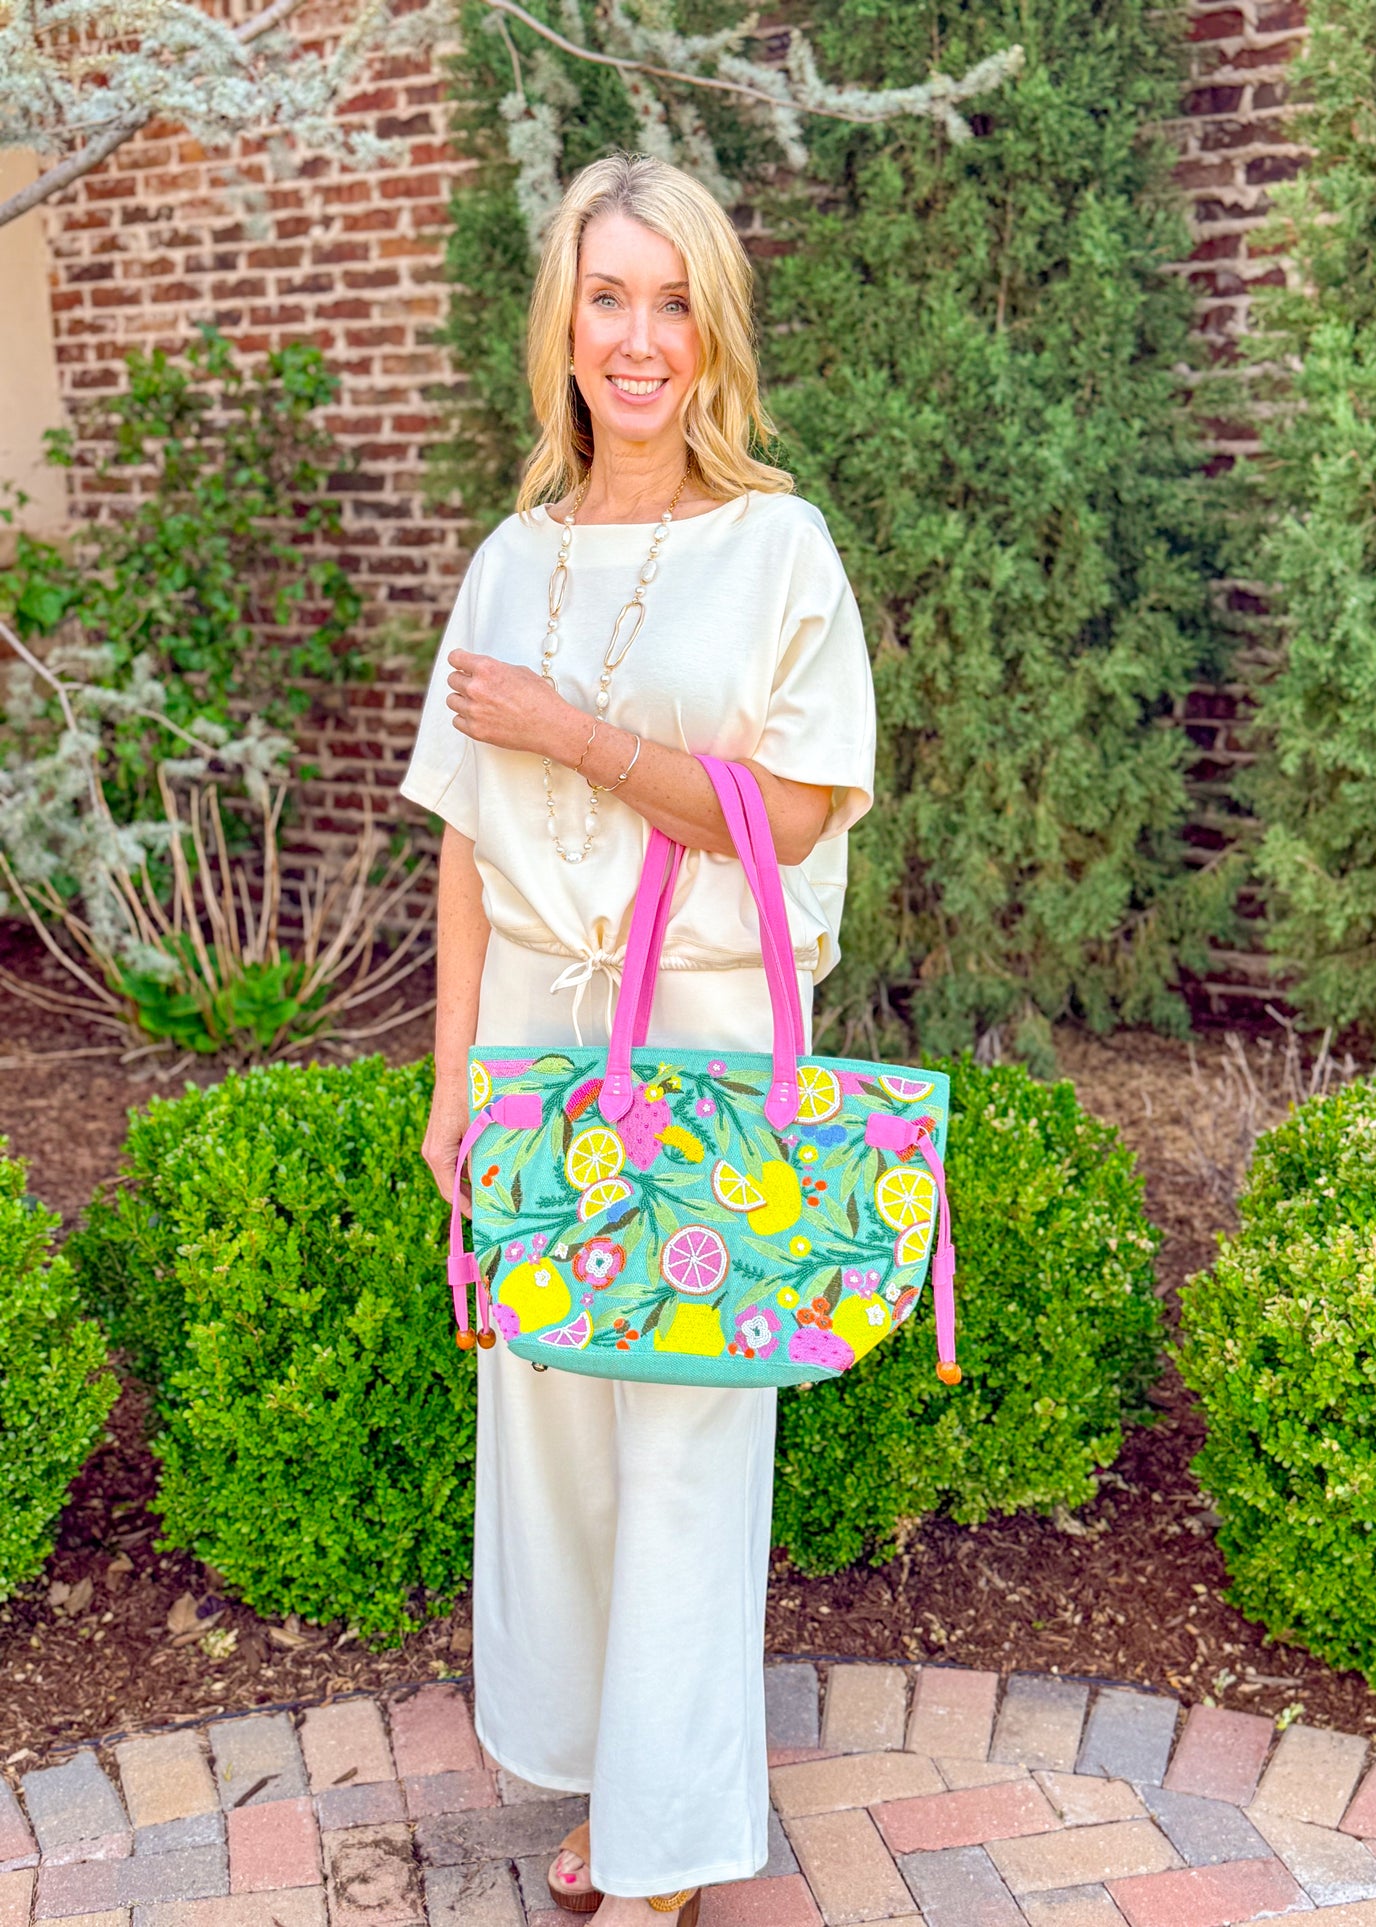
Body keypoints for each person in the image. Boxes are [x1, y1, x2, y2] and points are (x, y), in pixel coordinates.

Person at [402, 150, 876, 1925]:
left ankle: (669, 1846)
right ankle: (605, 1768)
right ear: (562, 327)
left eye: (673, 301)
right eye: (607, 296)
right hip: (538, 1035)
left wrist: (578, 732)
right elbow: (463, 847)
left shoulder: (775, 546)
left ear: (713, 331)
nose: (638, 337)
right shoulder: (506, 560)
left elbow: (799, 811)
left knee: (684, 1431)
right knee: (554, 1427)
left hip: (702, 1027)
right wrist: (450, 1087)